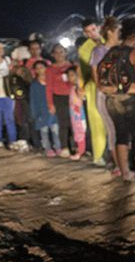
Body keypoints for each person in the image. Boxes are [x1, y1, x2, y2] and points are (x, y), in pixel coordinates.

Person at [97, 20, 135, 181]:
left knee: (121, 135)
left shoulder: (110, 52)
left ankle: (125, 173)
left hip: (111, 100)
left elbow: (99, 76)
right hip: (131, 100)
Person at [91, 17, 121, 170]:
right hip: (106, 95)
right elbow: (95, 73)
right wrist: (103, 89)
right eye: (118, 30)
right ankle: (117, 164)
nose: (120, 33)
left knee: (123, 130)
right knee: (113, 129)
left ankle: (123, 162)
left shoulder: (121, 49)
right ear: (109, 32)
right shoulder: (99, 51)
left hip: (121, 94)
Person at [78, 18, 107, 166]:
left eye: (93, 30)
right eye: (88, 32)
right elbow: (83, 72)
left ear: (99, 28)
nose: (91, 33)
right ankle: (98, 155)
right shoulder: (84, 48)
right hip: (93, 88)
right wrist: (81, 88)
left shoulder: (108, 40)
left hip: (111, 87)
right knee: (97, 123)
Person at [45, 43, 78, 157]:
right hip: (58, 98)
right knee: (63, 123)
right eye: (56, 52)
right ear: (53, 55)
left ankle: (76, 146)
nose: (59, 55)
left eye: (61, 52)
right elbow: (48, 87)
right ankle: (64, 147)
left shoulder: (71, 66)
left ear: (66, 53)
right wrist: (50, 104)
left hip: (72, 97)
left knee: (75, 122)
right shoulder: (50, 69)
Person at [29, 60, 61, 156]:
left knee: (55, 130)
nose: (40, 70)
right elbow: (33, 101)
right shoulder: (34, 85)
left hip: (53, 110)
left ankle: (58, 147)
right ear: (35, 71)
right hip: (41, 111)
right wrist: (35, 114)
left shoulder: (52, 82)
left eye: (42, 67)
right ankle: (48, 148)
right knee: (44, 131)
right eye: (37, 68)